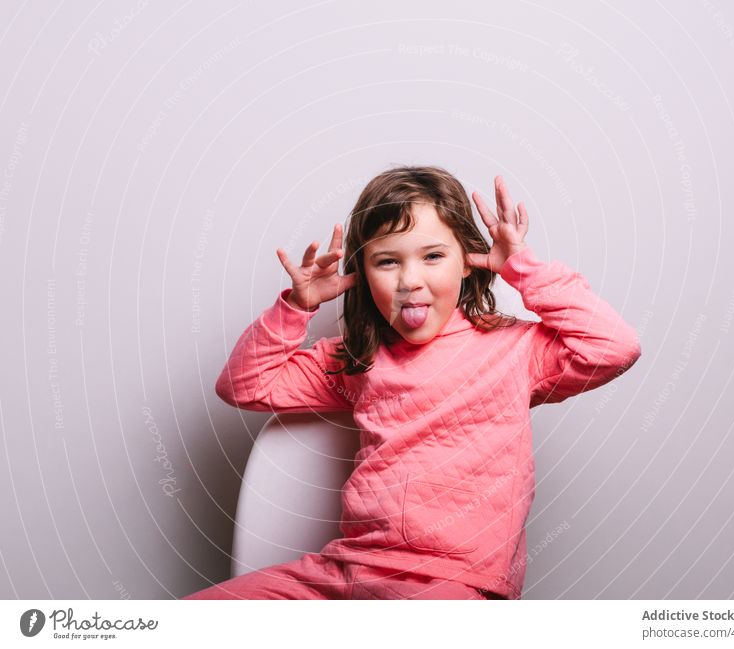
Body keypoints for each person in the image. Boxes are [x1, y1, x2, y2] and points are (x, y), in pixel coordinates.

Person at [183, 166, 641, 600]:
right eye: (387, 261)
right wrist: (296, 307)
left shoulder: (514, 351)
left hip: (450, 582)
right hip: (345, 573)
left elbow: (614, 347)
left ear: (467, 261)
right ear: (362, 273)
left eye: (433, 256)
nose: (410, 281)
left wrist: (523, 268)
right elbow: (245, 386)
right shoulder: (358, 361)